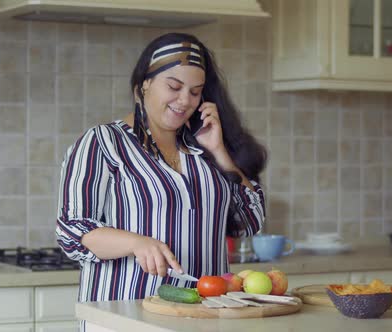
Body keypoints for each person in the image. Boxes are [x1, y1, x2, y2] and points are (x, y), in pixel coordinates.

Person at [55, 32, 267, 306]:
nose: (185, 101)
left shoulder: (204, 150)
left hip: (204, 313)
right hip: (124, 314)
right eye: (173, 87)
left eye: (195, 91)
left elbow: (251, 222)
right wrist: (135, 242)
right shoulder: (104, 142)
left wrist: (219, 151)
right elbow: (72, 231)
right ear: (145, 84)